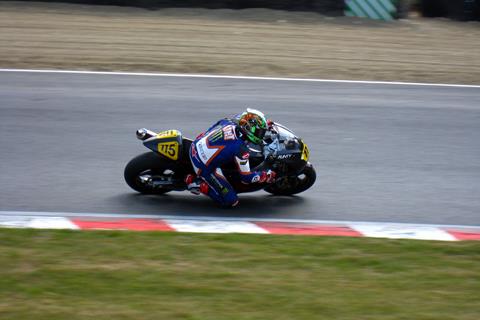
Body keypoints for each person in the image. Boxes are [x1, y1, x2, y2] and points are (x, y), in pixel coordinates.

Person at [185, 108, 276, 207]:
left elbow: (220, 122)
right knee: (231, 201)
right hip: (202, 165)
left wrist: (264, 125)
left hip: (197, 143)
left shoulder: (233, 122)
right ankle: (196, 184)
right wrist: (264, 175)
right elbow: (246, 178)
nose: (261, 135)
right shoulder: (241, 149)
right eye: (259, 132)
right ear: (248, 129)